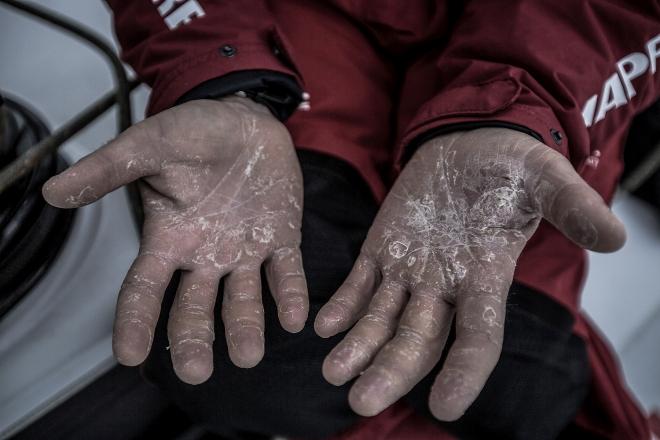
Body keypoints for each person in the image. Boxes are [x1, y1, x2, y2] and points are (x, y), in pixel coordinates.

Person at [42, 1, 659, 439]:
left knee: (528, 395)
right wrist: (223, 78)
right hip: (296, 55)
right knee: (239, 361)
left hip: (534, 105)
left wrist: (514, 112)